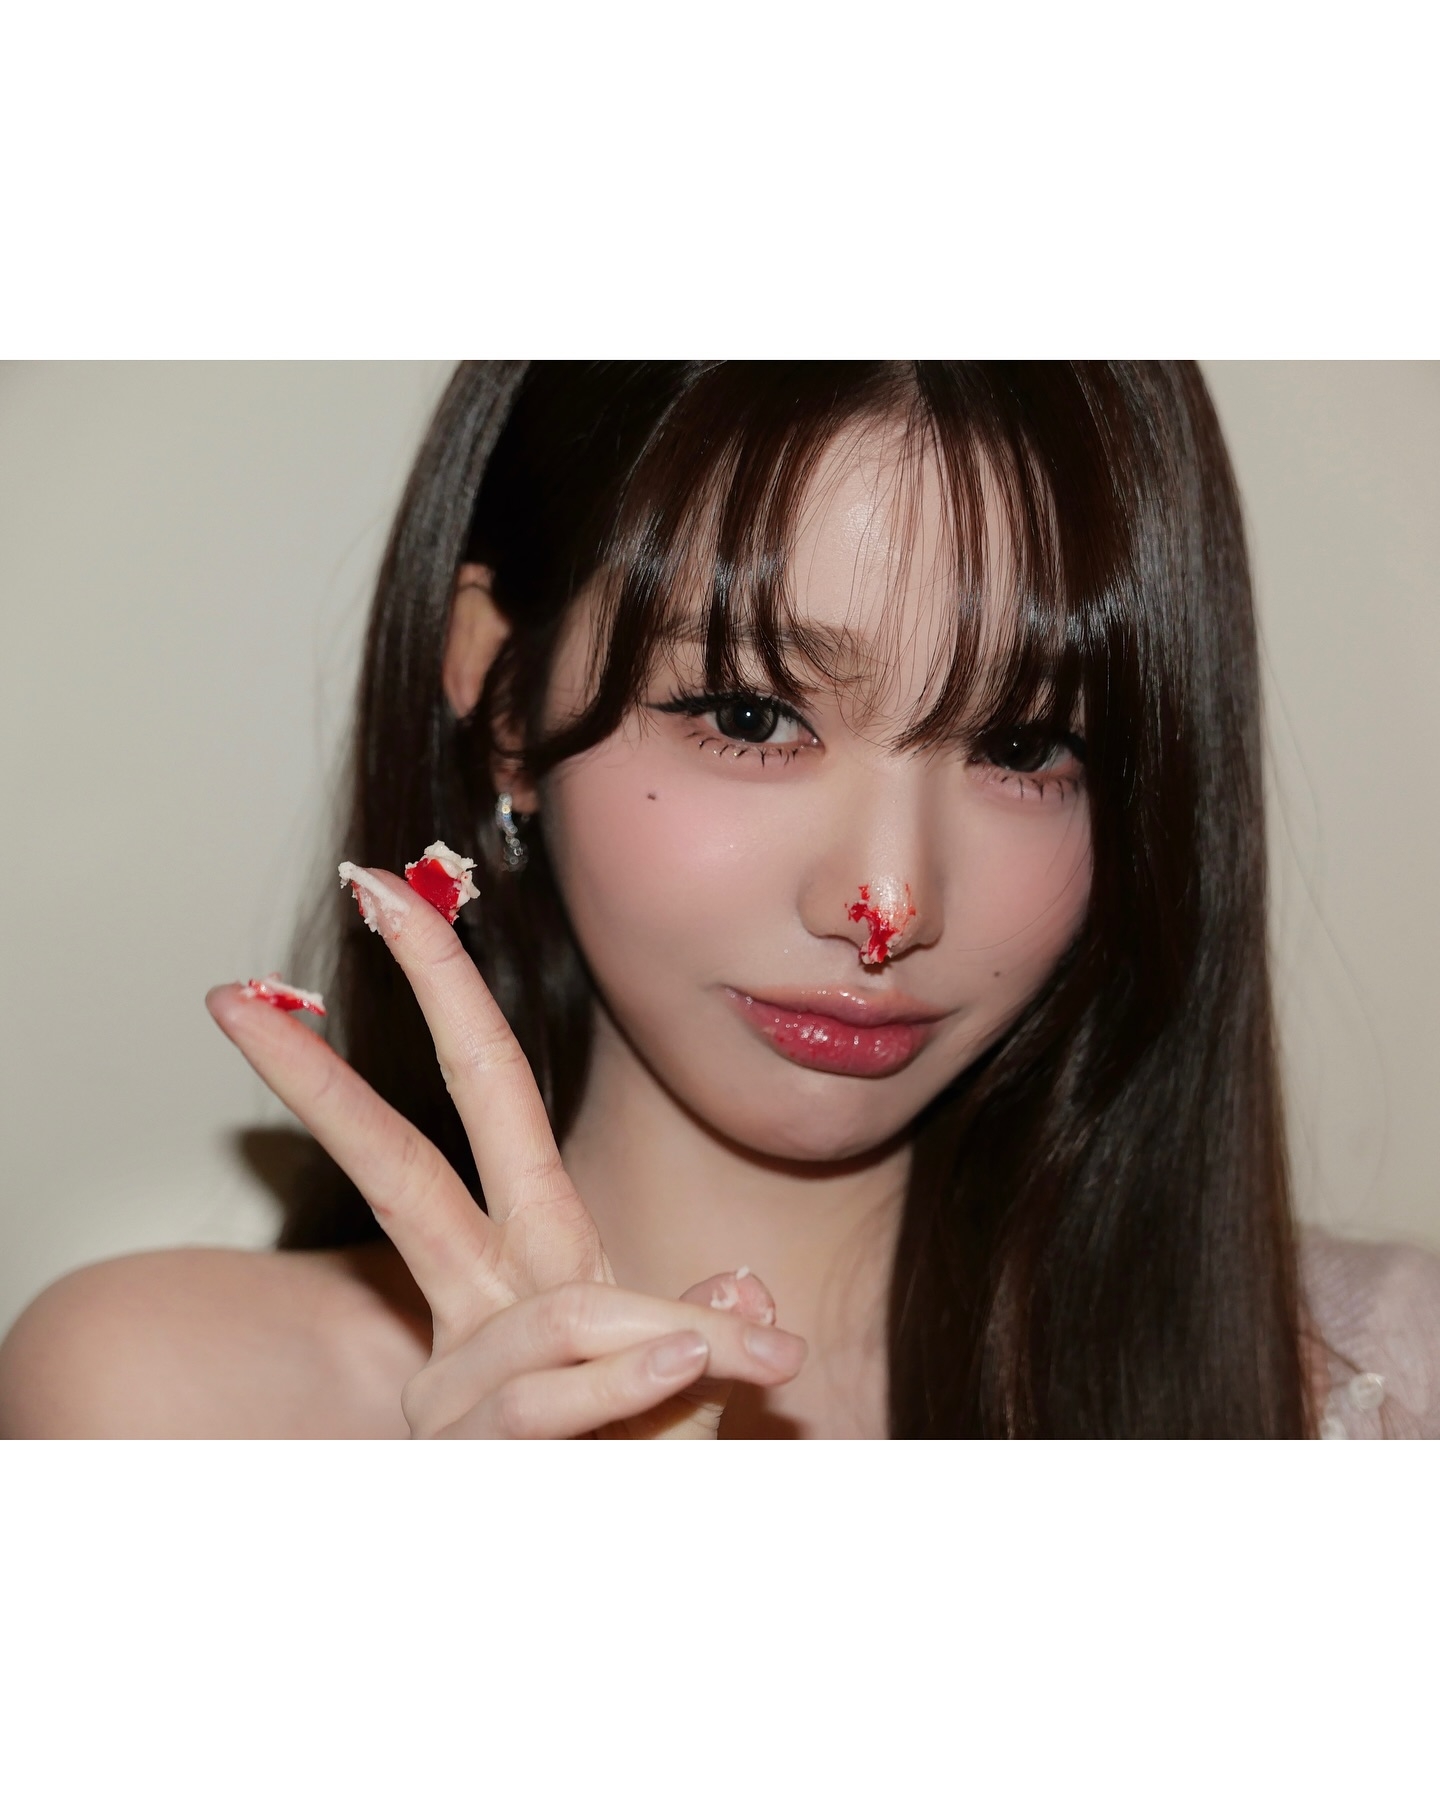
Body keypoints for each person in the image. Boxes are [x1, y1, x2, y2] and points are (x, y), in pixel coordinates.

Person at [2, 361, 1437, 1439]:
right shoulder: (165, 1408)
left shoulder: (1381, 1391)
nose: (887, 904)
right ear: (501, 695)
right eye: (751, 716)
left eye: (1022, 745)